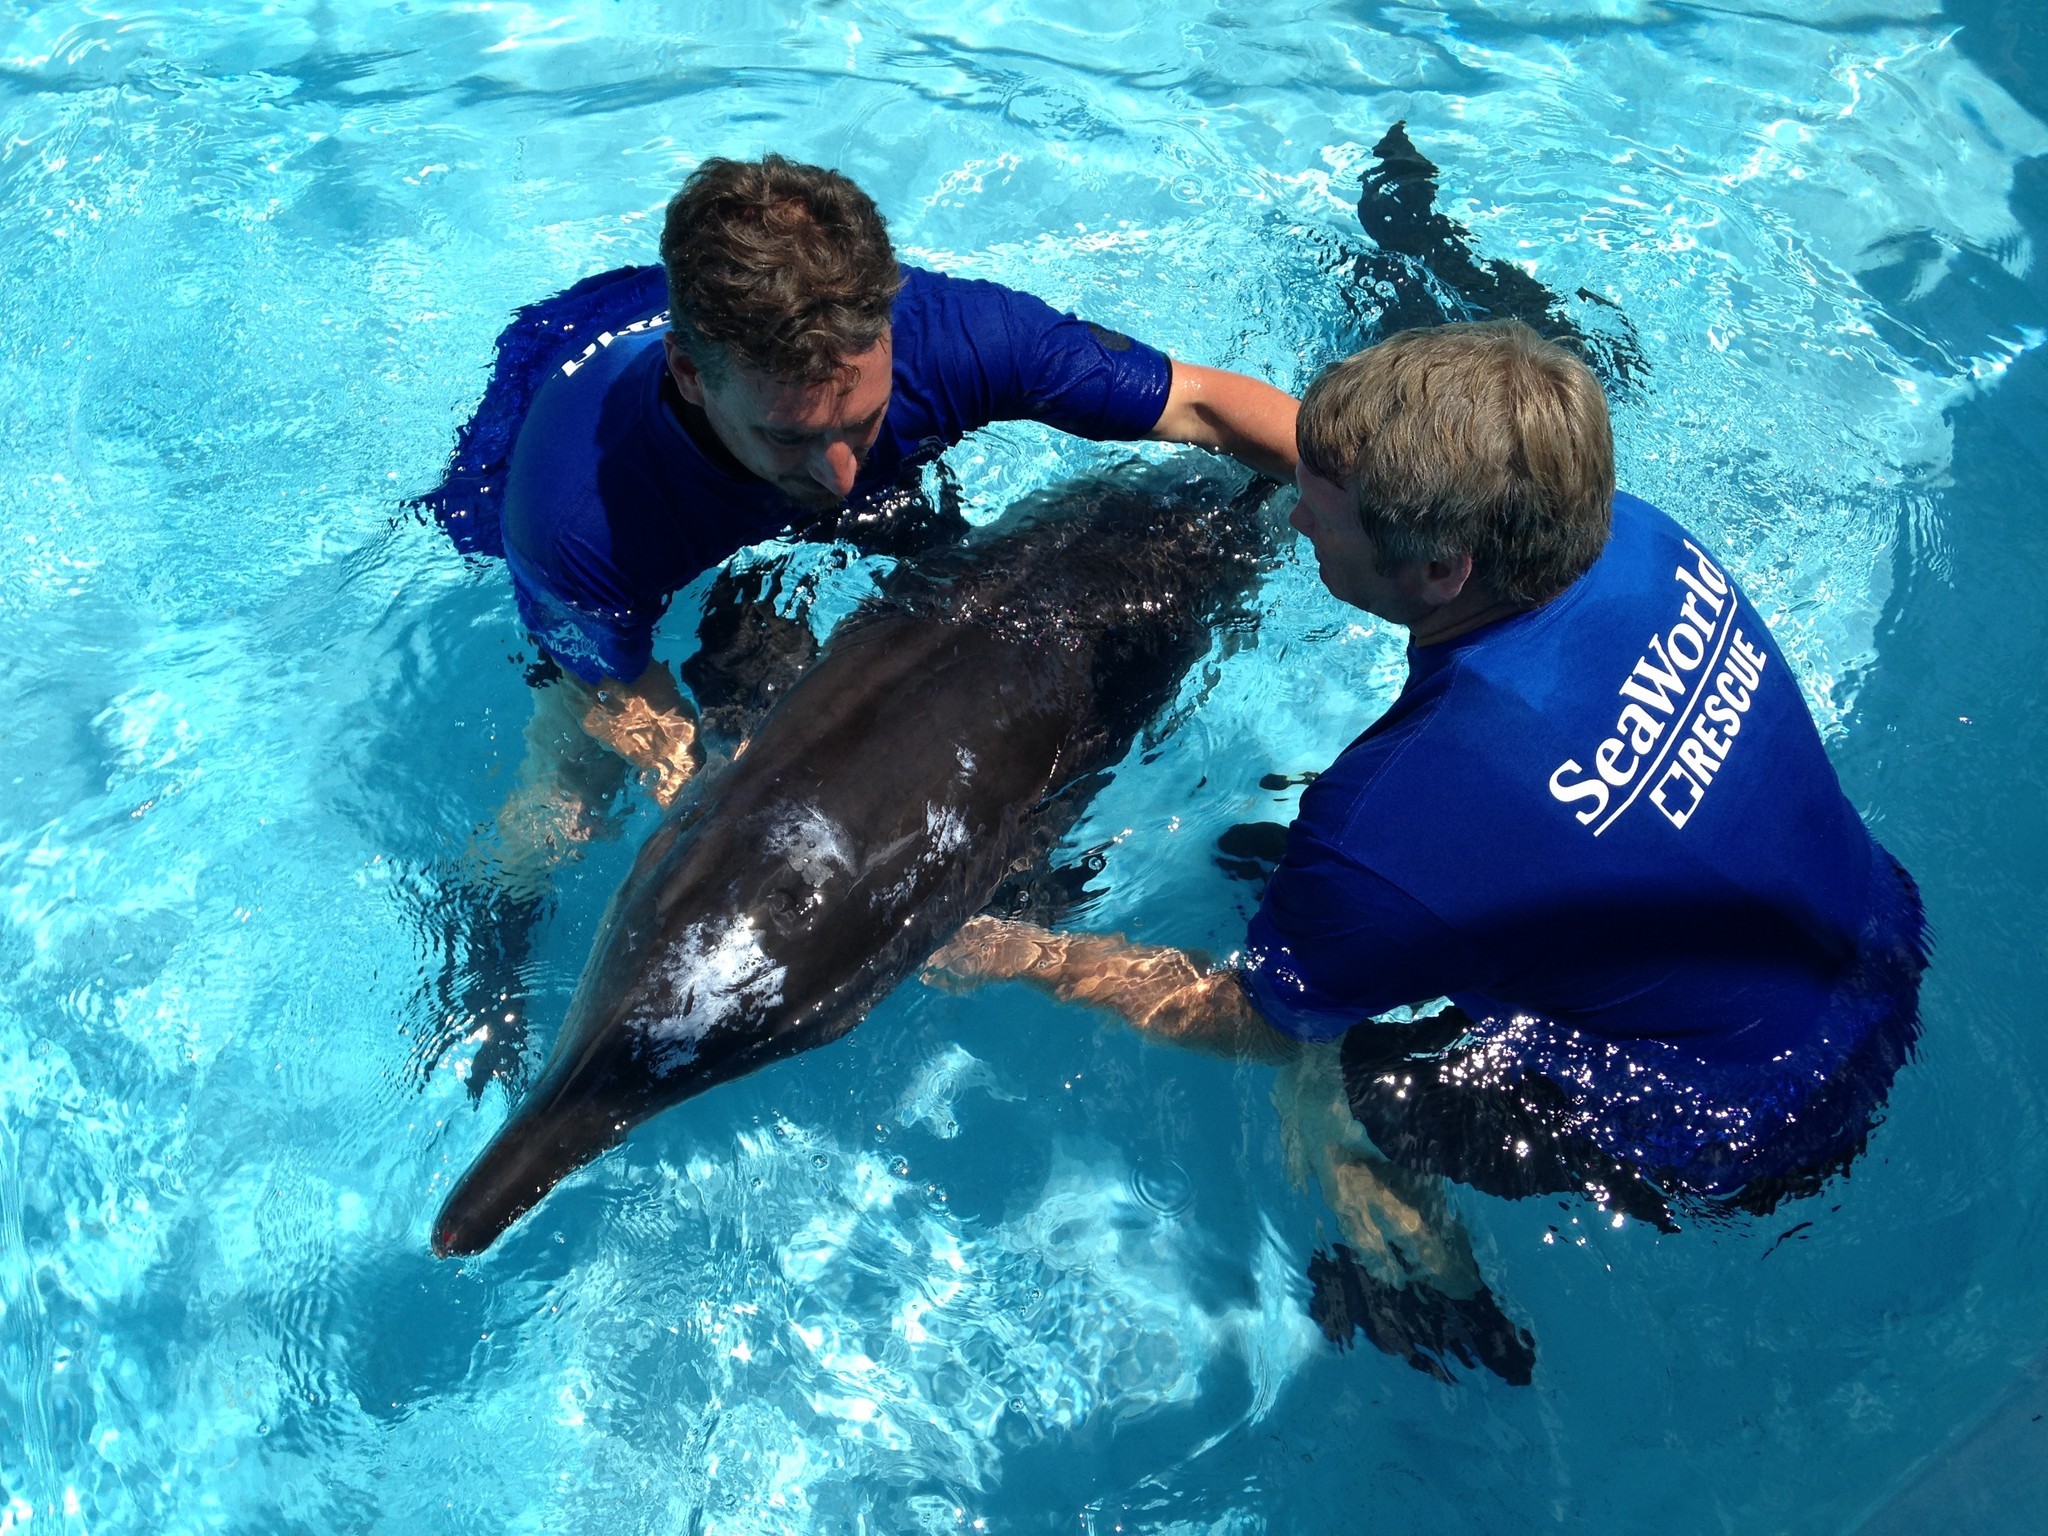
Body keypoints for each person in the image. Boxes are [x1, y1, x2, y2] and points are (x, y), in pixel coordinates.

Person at [928, 320, 1928, 1383]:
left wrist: (1003, 952)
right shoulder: (1635, 539)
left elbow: (1250, 1022)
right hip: (1871, 945)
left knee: (1331, 1079)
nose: (1297, 506)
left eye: (1324, 505)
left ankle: (1430, 1298)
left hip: (1743, 1122)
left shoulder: (1396, 817)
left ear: (1444, 567)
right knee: (1325, 896)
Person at [427, 154, 1299, 893]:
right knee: (557, 817)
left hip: (718, 367)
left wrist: (1383, 488)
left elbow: (1205, 405)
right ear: (691, 374)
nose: (839, 473)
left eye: (863, 421)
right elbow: (632, 706)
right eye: (794, 435)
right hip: (572, 401)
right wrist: (715, 814)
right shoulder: (578, 516)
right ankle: (490, 931)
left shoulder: (959, 333)